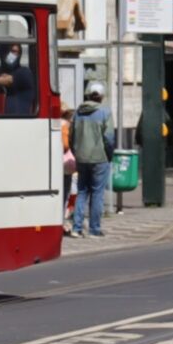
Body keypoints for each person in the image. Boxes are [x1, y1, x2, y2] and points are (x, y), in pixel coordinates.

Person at [70, 83, 115, 238]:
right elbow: (109, 138)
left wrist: (77, 152)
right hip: (99, 158)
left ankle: (76, 228)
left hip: (81, 157)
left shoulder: (78, 112)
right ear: (101, 96)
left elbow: (71, 136)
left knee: (82, 192)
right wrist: (109, 154)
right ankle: (94, 229)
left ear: (87, 95)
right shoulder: (105, 112)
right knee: (97, 193)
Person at [0, 43, 36, 116]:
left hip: (19, 122)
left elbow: (3, 81)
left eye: (14, 52)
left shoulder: (25, 73)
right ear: (2, 53)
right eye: (8, 51)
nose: (11, 55)